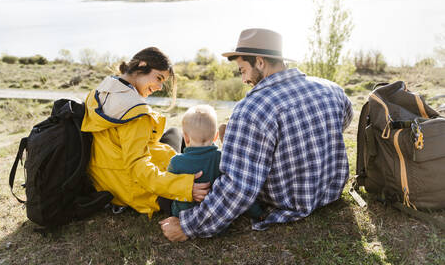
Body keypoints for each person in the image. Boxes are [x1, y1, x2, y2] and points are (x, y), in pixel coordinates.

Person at [160, 28, 353, 241]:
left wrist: (189, 226)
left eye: (242, 70)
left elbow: (238, 188)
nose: (243, 80)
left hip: (289, 203)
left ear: (260, 62)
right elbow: (343, 122)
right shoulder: (331, 89)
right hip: (329, 193)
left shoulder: (252, 109)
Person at [81, 47, 210, 218]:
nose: (159, 87)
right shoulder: (134, 111)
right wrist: (184, 187)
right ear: (142, 65)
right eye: (158, 78)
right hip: (135, 189)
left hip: (107, 180)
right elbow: (138, 168)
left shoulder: (99, 92)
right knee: (185, 145)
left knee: (174, 133)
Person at [166, 104, 264, 220]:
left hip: (182, 215)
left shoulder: (176, 162)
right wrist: (258, 213)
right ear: (216, 136)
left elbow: (167, 187)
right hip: (214, 212)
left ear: (186, 138)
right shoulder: (222, 158)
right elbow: (239, 186)